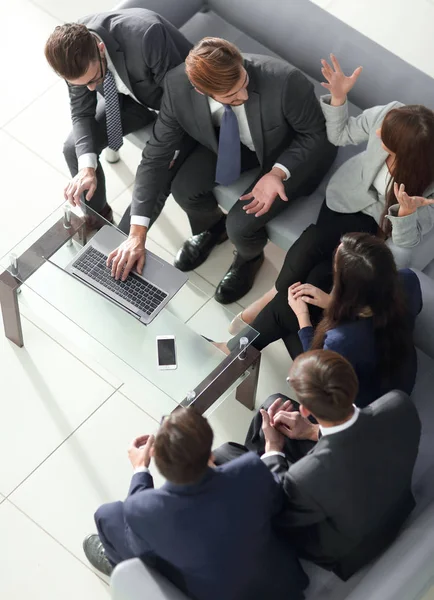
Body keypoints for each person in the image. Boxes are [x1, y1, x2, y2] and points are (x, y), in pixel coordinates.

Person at [107, 37, 337, 304]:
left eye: (244, 82)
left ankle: (249, 259)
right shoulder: (177, 85)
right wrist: (136, 234)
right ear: (200, 90)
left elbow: (316, 135)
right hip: (232, 142)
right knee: (184, 189)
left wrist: (277, 173)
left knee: (240, 224)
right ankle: (213, 229)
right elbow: (156, 156)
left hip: (289, 155)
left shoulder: (285, 81)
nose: (244, 95)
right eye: (231, 95)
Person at [229, 53, 434, 327]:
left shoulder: (428, 183)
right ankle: (269, 304)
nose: (376, 134)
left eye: (385, 139)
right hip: (345, 197)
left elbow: (407, 241)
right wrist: (339, 98)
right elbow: (341, 135)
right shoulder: (391, 114)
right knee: (316, 269)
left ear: (406, 153)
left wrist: (406, 213)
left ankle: (257, 318)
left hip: (375, 224)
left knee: (316, 262)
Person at [214, 350, 422, 580]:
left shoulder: (301, 482)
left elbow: (282, 511)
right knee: (272, 403)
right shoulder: (399, 403)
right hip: (395, 504)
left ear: (305, 409)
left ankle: (258, 461)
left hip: (351, 550)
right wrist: (313, 431)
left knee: (224, 454)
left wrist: (274, 449)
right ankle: (259, 455)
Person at [83, 408, 308, 600]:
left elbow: (139, 544)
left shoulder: (143, 510)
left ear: (156, 459)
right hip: (282, 587)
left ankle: (116, 563)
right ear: (209, 451)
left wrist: (140, 469)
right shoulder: (250, 471)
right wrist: (273, 448)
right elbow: (278, 499)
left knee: (107, 515)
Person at [229, 232, 423, 408]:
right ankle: (236, 351)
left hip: (359, 402)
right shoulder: (408, 279)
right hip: (399, 372)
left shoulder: (342, 340)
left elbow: (315, 370)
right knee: (318, 274)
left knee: (283, 310)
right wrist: (331, 302)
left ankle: (233, 357)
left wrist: (302, 317)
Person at [44, 9, 192, 230]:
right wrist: (87, 168)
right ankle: (99, 222)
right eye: (83, 84)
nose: (92, 88)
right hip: (128, 101)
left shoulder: (147, 35)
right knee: (74, 147)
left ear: (100, 48)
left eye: (94, 79)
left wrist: (166, 150)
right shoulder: (71, 55)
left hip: (181, 108)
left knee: (156, 172)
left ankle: (122, 240)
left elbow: (179, 100)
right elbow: (81, 112)